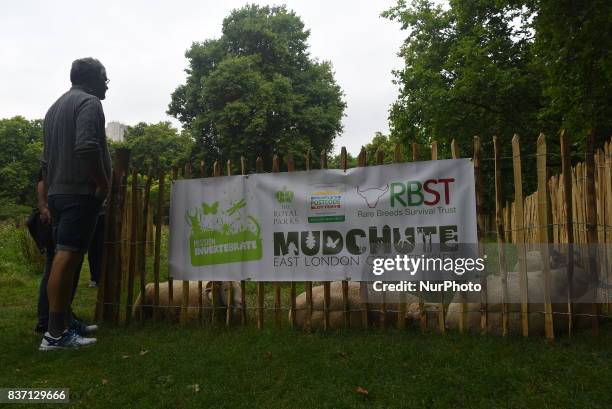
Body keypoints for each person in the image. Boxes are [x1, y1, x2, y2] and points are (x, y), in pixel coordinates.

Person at [39, 57, 111, 350]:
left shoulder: (54, 108)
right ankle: (55, 334)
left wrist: (47, 196)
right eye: (105, 78)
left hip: (58, 193)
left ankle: (64, 321)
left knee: (68, 256)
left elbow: (45, 162)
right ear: (93, 79)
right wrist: (102, 183)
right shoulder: (89, 103)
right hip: (78, 192)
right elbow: (86, 146)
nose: (107, 84)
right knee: (67, 257)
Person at [32, 172, 98, 335]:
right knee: (60, 266)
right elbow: (42, 179)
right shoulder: (61, 150)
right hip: (64, 210)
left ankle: (60, 318)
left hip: (62, 207)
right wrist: (42, 206)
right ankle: (51, 320)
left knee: (65, 267)